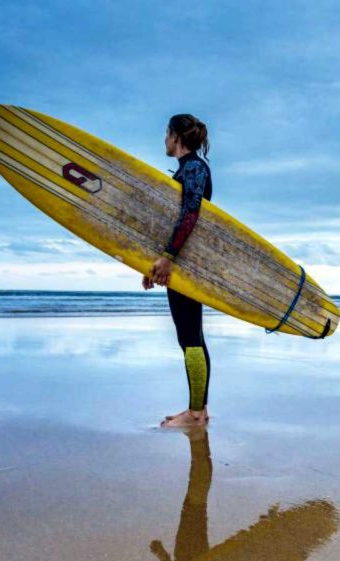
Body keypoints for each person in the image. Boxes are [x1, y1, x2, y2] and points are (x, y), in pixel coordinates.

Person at [143, 113, 214, 428]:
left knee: (190, 337)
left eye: (166, 133)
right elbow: (175, 220)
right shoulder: (188, 170)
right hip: (181, 262)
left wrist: (169, 256)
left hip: (186, 264)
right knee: (190, 337)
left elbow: (190, 214)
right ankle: (198, 409)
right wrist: (155, 261)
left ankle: (196, 413)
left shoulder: (195, 168)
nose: (164, 140)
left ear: (176, 136)